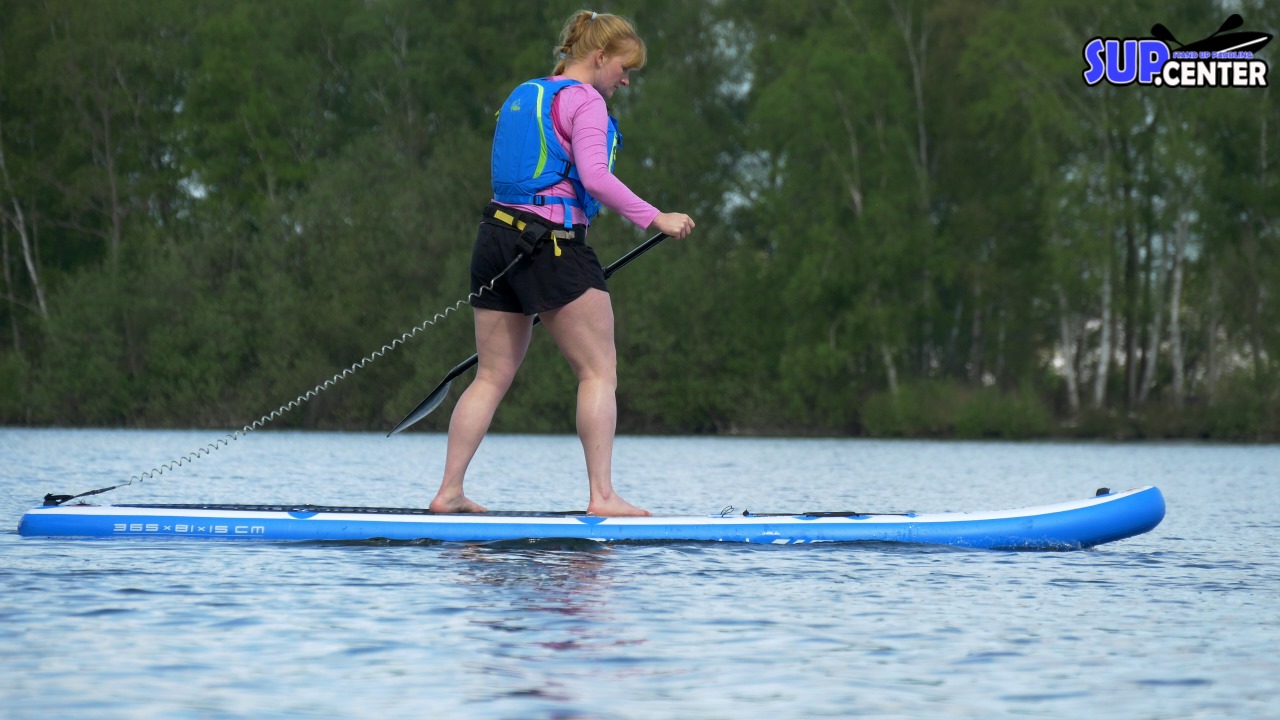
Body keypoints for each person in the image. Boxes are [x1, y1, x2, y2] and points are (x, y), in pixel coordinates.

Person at [429, 10, 695, 516]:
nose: (625, 80)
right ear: (600, 56)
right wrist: (655, 217)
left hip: (494, 239)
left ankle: (449, 491)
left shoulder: (526, 94)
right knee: (598, 372)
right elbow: (595, 178)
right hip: (550, 245)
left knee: (491, 375)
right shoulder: (585, 101)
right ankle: (603, 497)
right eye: (624, 67)